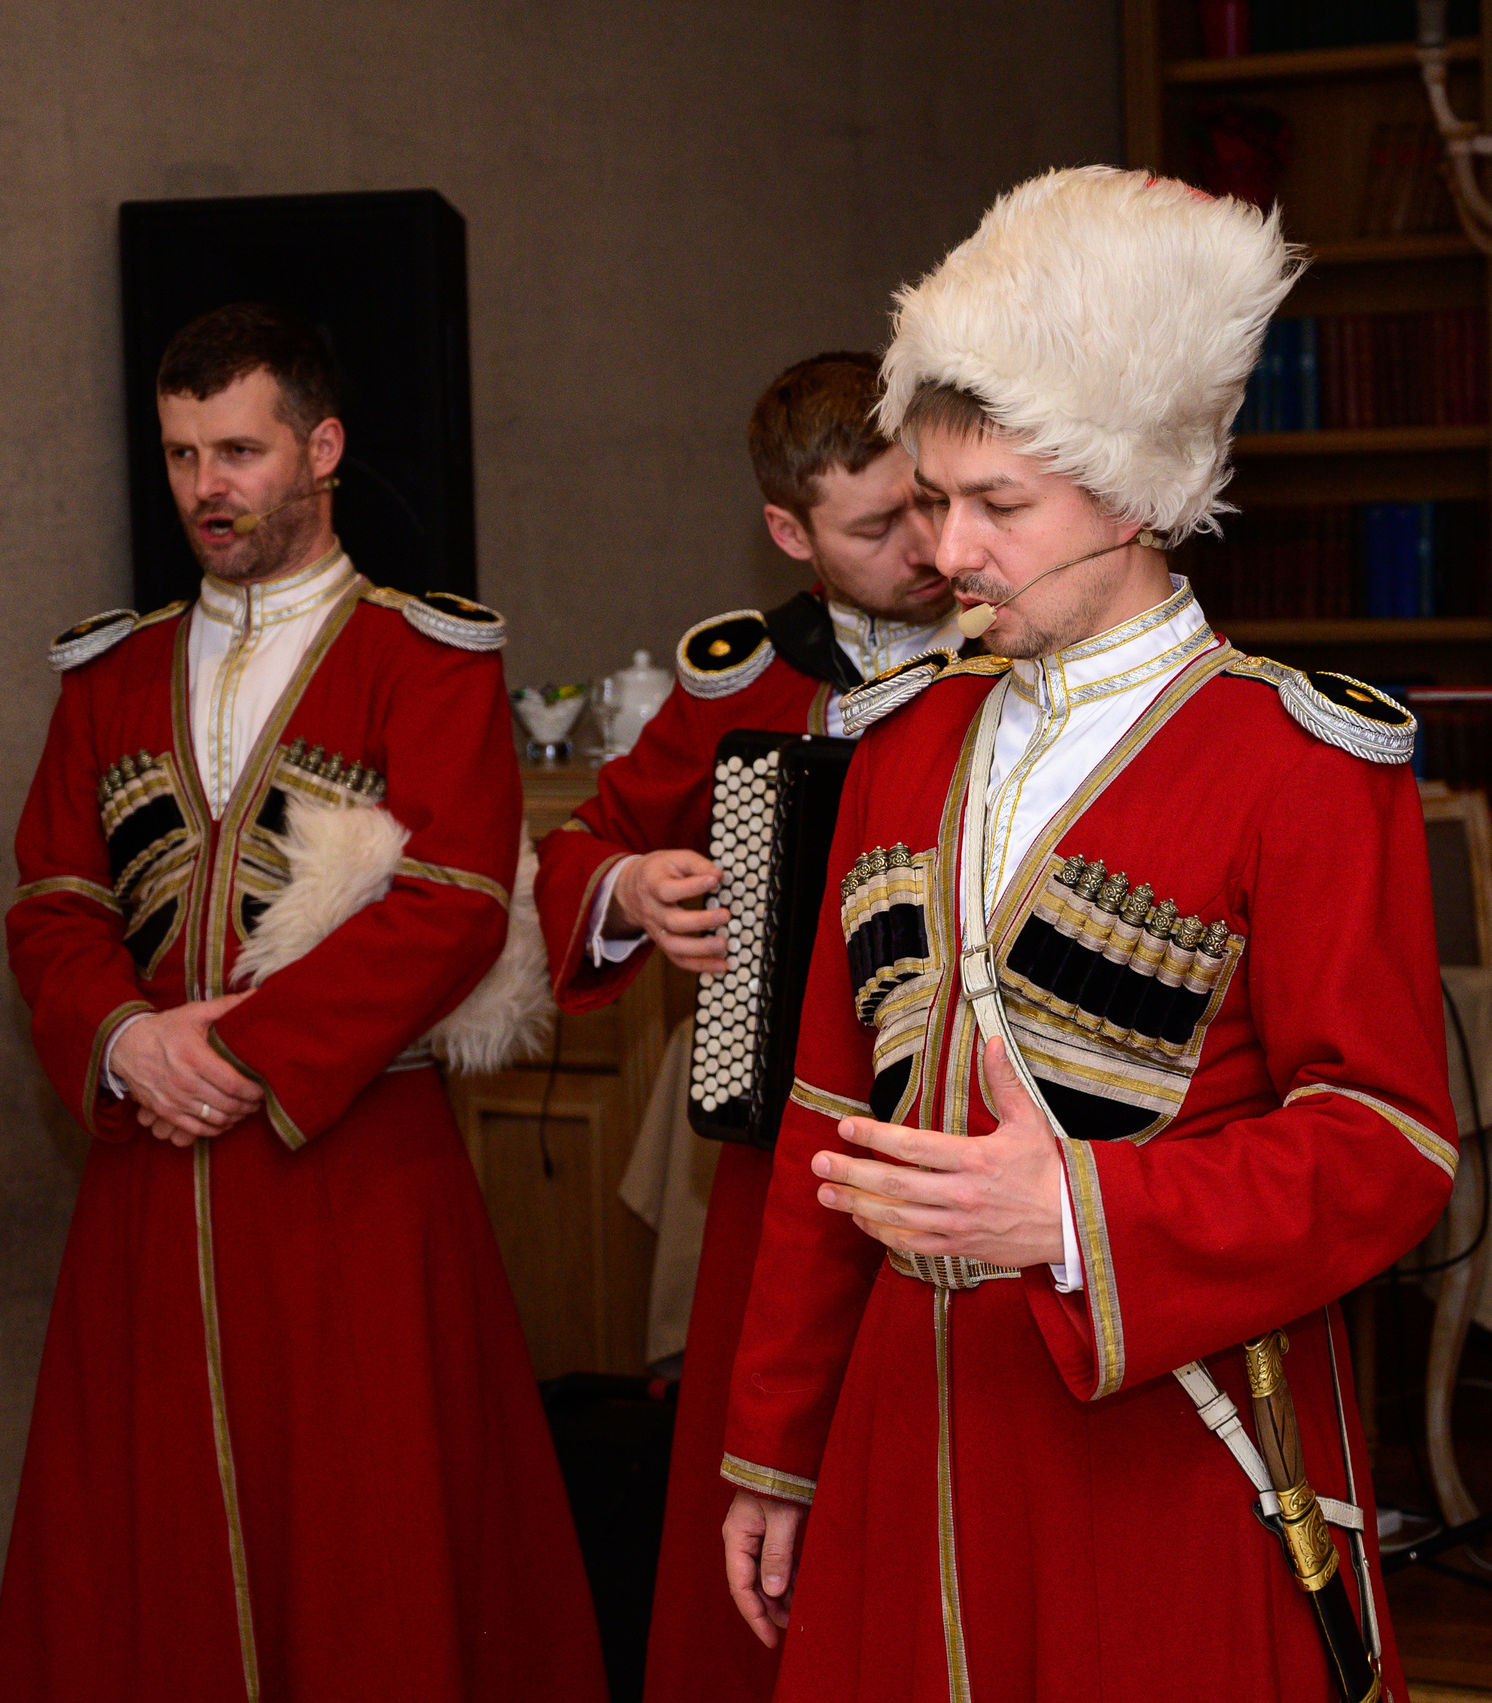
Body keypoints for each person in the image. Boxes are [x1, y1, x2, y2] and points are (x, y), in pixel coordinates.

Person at [716, 168, 1457, 1701]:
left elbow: (1386, 1145)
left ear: (1133, 493)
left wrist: (1076, 1216)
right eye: (931, 502)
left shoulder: (1298, 759)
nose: (950, 554)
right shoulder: (901, 747)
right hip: (904, 1434)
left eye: (998, 506)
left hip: (1162, 1437)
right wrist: (774, 1449)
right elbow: (825, 1122)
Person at [0, 303, 606, 1702]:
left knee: (373, 1538)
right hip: (150, 1162)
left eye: (241, 450)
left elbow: (452, 897)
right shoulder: (109, 672)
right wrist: (129, 1038)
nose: (209, 485)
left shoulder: (427, 653)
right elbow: (52, 898)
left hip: (354, 1163)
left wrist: (248, 1054)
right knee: (147, 1554)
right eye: (183, 454)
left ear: (321, 449)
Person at [531, 351, 948, 1703]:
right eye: (876, 528)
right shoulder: (743, 683)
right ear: (791, 534)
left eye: (928, 503)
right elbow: (588, 841)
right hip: (789, 1161)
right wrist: (632, 889)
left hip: (985, 1149)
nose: (927, 547)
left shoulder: (1024, 643)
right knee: (774, 1484)